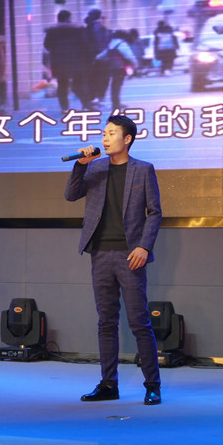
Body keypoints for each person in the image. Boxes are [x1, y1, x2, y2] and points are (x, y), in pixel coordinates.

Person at [64, 115, 162, 406]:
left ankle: (153, 386)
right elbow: (71, 195)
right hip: (100, 253)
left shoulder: (143, 169)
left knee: (139, 321)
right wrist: (80, 166)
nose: (105, 139)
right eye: (104, 133)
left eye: (111, 133)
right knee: (106, 321)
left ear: (127, 139)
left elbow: (154, 212)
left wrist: (144, 247)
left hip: (130, 254)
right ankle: (108, 384)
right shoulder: (95, 167)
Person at [44, 10, 89, 110]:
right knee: (78, 84)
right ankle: (85, 104)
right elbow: (85, 44)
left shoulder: (52, 31)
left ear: (58, 19)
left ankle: (65, 108)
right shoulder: (78, 29)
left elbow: (47, 45)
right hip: (76, 60)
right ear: (69, 18)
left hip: (58, 61)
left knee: (62, 85)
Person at [94, 30, 137, 111]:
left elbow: (104, 53)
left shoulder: (111, 44)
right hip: (121, 67)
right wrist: (135, 63)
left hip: (112, 66)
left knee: (114, 85)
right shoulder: (122, 44)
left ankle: (115, 103)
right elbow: (129, 55)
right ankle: (116, 104)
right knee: (118, 86)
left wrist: (97, 57)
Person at [84, 8, 111, 107]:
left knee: (92, 79)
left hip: (90, 58)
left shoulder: (87, 28)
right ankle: (99, 98)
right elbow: (102, 43)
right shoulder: (99, 28)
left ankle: (93, 98)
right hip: (101, 58)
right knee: (103, 79)